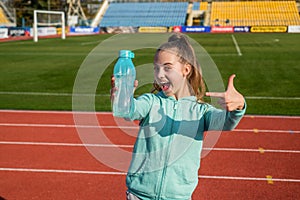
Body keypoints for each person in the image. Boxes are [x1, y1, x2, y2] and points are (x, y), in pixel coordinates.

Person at [110, 33, 246, 200]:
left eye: (167, 68)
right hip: (139, 195)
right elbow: (130, 110)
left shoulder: (200, 111)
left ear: (186, 70)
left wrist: (238, 105)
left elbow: (226, 122)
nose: (160, 75)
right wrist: (122, 98)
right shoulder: (151, 102)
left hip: (178, 196)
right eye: (156, 68)